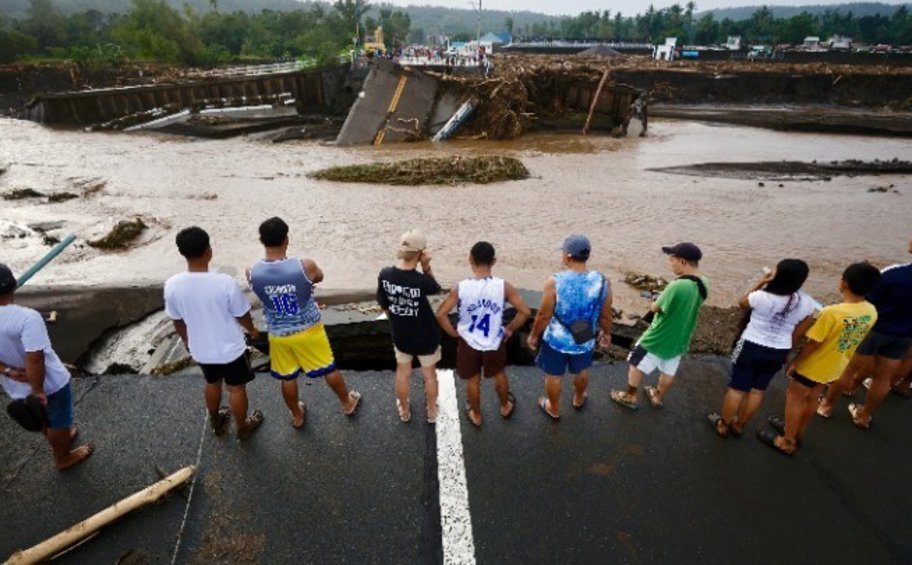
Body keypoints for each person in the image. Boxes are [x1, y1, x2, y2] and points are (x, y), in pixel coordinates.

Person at [758, 262, 881, 455]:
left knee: (795, 397)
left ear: (844, 284)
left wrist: (796, 360)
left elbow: (813, 343)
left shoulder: (832, 312)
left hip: (813, 365)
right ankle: (797, 432)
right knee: (813, 397)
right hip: (836, 365)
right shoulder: (871, 311)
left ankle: (787, 440)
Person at [248, 217, 362, 426]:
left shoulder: (252, 271)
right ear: (286, 239)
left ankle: (297, 415)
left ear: (262, 241)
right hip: (309, 329)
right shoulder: (303, 266)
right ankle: (347, 402)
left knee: (288, 376)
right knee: (328, 367)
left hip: (278, 332)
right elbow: (319, 277)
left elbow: (259, 291)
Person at [165, 227, 264, 440]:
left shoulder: (172, 285)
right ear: (209, 251)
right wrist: (253, 330)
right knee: (236, 389)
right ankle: (243, 427)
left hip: (201, 349)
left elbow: (177, 319)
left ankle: (215, 419)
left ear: (182, 253)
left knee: (212, 383)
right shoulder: (224, 282)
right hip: (230, 349)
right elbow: (242, 314)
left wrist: (187, 340)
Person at [0, 264, 94, 470]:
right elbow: (34, 359)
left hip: (15, 386)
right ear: (13, 286)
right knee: (57, 420)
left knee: (41, 417)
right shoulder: (26, 318)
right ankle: (63, 457)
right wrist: (38, 391)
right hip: (48, 383)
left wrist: (8, 371)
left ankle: (59, 435)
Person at [707, 260, 816, 438]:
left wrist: (762, 282)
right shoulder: (808, 303)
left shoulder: (762, 296)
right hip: (780, 350)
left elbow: (742, 303)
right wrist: (788, 353)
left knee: (737, 388)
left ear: (778, 275)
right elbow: (798, 334)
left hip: (752, 346)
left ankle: (723, 424)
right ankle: (739, 425)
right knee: (757, 390)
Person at [817, 238, 912, 428]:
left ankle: (827, 405)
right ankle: (863, 416)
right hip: (904, 335)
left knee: (847, 367)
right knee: (883, 378)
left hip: (873, 328)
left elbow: (867, 298)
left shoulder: (895, 273)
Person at [436, 241, 531, 427]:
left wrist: (453, 333)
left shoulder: (461, 287)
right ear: (493, 261)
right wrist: (510, 329)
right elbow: (525, 312)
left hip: (468, 341)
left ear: (470, 260)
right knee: (498, 373)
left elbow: (441, 314)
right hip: (494, 341)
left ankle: (476, 415)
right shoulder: (504, 286)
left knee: (473, 380)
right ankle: (505, 406)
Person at [610, 242, 708, 410]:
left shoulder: (676, 285)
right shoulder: (704, 282)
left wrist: (656, 300)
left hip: (658, 336)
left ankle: (630, 396)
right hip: (681, 338)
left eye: (672, 260)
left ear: (683, 262)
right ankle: (657, 396)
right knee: (668, 370)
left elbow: (655, 308)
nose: (671, 263)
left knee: (636, 361)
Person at [527, 235, 612, 421]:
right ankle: (579, 398)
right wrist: (606, 333)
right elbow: (606, 314)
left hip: (556, 341)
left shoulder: (555, 281)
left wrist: (534, 335)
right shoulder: (602, 281)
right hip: (585, 338)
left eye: (563, 252)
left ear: (568, 256)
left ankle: (553, 408)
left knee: (554, 375)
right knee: (582, 370)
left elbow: (543, 315)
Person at [377, 230, 441, 424]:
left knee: (403, 374)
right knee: (429, 376)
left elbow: (384, 305)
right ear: (421, 253)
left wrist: (398, 318)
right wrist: (427, 266)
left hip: (401, 335)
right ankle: (431, 411)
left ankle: (404, 410)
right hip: (426, 336)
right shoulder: (422, 281)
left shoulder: (385, 275)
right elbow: (435, 288)